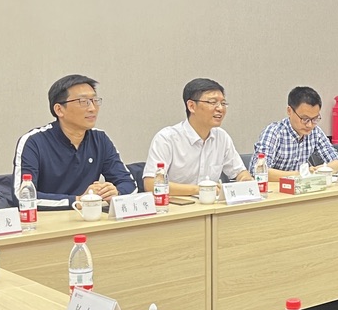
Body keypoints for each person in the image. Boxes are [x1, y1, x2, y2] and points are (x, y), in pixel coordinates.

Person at [13, 75, 135, 210]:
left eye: (94, 100)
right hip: (47, 220)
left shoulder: (100, 140)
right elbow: (22, 197)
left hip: (88, 218)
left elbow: (129, 185)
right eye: (83, 101)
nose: (92, 108)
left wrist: (116, 193)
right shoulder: (34, 142)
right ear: (59, 110)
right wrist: (77, 201)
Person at [143, 78, 252, 195]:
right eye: (213, 102)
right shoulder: (167, 138)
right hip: (177, 204)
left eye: (223, 103)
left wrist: (245, 179)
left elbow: (239, 172)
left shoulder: (222, 137)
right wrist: (198, 189)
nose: (220, 108)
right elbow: (151, 184)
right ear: (191, 106)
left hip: (211, 204)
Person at [253, 86, 338, 181]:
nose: (309, 125)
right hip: (275, 188)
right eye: (304, 119)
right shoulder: (274, 132)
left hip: (301, 187)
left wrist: (318, 170)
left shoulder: (315, 132)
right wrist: (300, 174)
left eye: (315, 119)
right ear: (289, 111)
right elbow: (258, 171)